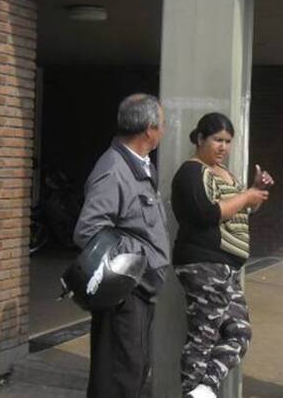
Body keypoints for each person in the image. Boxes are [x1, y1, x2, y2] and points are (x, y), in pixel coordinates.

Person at [73, 93, 170, 398]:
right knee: (119, 376)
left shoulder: (139, 165)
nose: (165, 130)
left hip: (140, 290)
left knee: (134, 368)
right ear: (149, 129)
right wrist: (137, 262)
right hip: (125, 292)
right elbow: (88, 230)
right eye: (163, 124)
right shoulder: (114, 169)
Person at [171, 112, 274, 398]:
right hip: (203, 263)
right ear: (200, 138)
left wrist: (256, 192)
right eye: (217, 140)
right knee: (203, 337)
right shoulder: (191, 172)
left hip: (226, 266)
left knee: (240, 332)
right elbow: (206, 213)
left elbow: (242, 211)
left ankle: (204, 388)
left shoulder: (225, 173)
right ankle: (193, 391)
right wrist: (247, 195)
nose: (223, 147)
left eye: (228, 141)